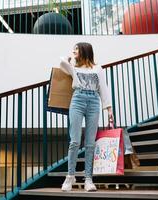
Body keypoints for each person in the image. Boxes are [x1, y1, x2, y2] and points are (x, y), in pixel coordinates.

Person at [59, 42, 113, 192]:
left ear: (84, 50)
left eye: (77, 49)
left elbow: (103, 88)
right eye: (74, 49)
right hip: (77, 100)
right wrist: (70, 57)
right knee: (74, 141)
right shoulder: (74, 68)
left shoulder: (98, 68)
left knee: (90, 143)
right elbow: (61, 62)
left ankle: (88, 179)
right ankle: (70, 176)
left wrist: (109, 109)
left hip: (94, 101)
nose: (74, 51)